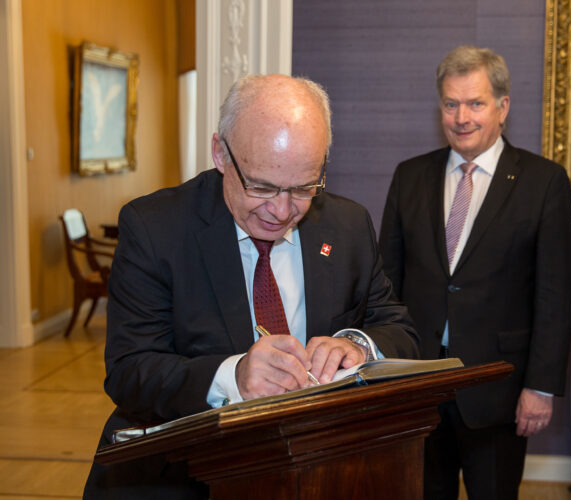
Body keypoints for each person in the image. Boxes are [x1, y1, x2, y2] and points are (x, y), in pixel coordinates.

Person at [84, 74, 419, 498]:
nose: (281, 211)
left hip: (317, 473)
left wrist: (357, 345)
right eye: (261, 186)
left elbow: (401, 331)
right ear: (220, 154)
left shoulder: (348, 225)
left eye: (303, 188)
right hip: (183, 477)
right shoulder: (155, 228)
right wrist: (233, 376)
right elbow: (131, 373)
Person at [379, 45, 571, 499]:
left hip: (498, 390)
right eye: (451, 104)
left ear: (503, 107)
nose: (461, 117)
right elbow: (385, 284)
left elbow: (554, 295)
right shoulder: (410, 176)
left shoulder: (544, 182)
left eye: (476, 103)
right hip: (418, 384)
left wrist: (541, 388)